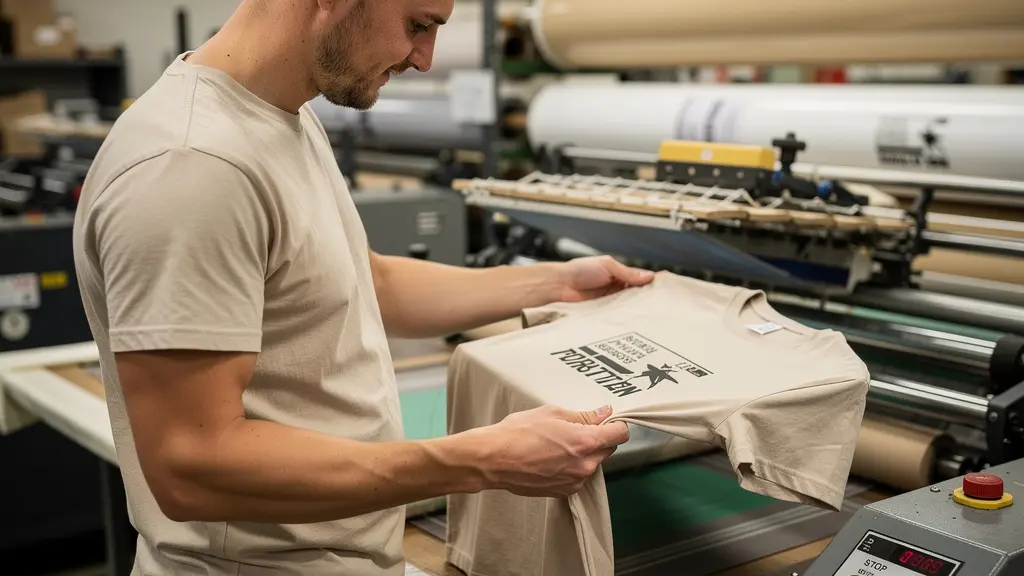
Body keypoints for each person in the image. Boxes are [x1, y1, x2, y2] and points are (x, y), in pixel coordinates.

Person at [72, 0, 655, 574]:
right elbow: (191, 465)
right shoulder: (192, 165)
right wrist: (480, 459)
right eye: (417, 24)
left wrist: (557, 282)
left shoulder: (283, 116)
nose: (425, 59)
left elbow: (367, 280)